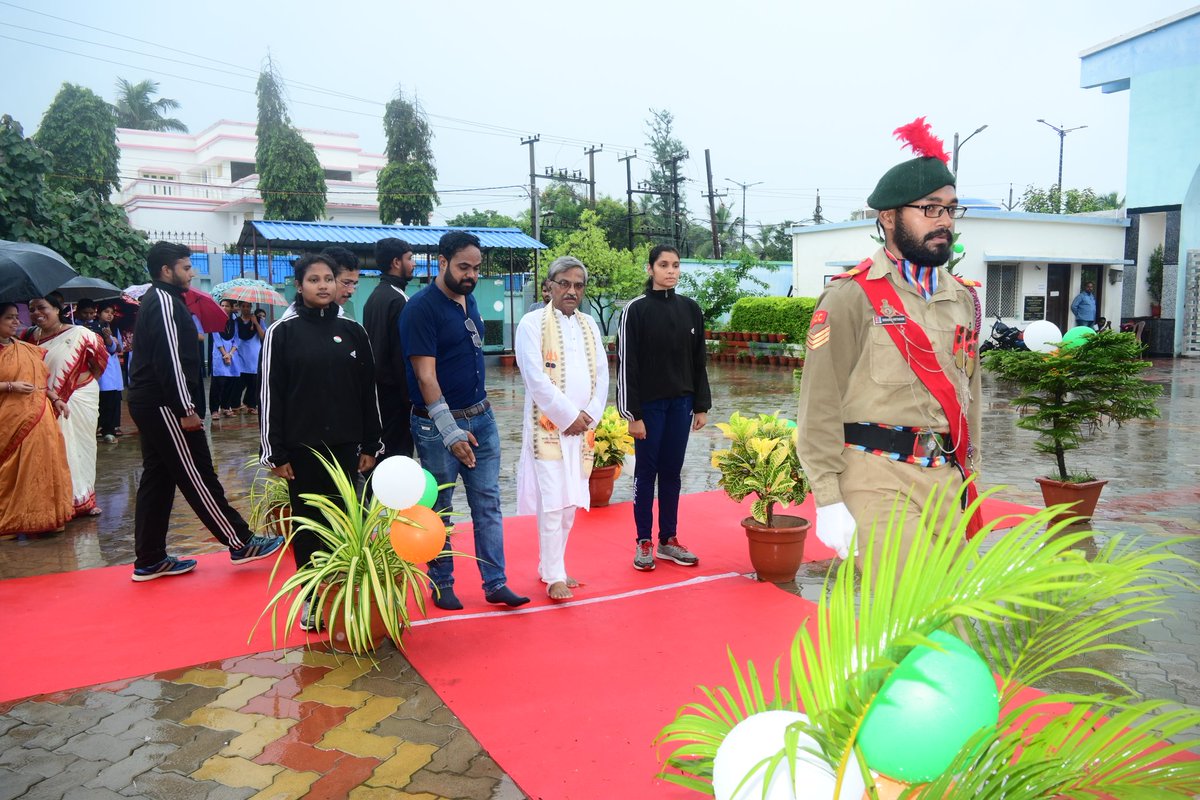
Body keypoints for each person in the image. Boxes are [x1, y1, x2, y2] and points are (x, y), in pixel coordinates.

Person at [795, 118, 983, 568]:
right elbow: (818, 404)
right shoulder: (851, 296)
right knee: (914, 610)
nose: (944, 222)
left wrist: (971, 474)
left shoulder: (962, 298)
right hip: (876, 476)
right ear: (889, 216)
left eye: (951, 209)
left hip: (945, 481)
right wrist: (826, 497)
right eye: (930, 208)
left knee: (951, 621)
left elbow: (970, 395)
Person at [127, 241, 282, 581]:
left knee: (158, 477)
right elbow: (170, 361)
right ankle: (240, 541)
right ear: (166, 271)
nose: (192, 272)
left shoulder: (165, 301)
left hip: (153, 401)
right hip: (165, 403)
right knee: (197, 472)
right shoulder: (165, 303)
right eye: (185, 267)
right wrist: (186, 408)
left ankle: (150, 559)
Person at [401, 231, 528, 610]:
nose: (471, 274)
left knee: (488, 502)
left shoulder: (468, 300)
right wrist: (449, 429)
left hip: (482, 418)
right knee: (440, 510)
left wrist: (474, 421)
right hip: (438, 426)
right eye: (463, 267)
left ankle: (496, 582)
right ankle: (442, 583)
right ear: (442, 263)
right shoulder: (421, 308)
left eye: (475, 267)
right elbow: (425, 376)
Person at [260, 252, 383, 630]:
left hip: (347, 449)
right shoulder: (281, 333)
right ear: (299, 286)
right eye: (314, 279)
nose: (324, 285)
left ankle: (347, 597)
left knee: (349, 524)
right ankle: (314, 600)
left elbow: (368, 392)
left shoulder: (352, 331)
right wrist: (274, 452)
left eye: (329, 278)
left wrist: (370, 444)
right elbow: (270, 395)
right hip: (302, 452)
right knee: (310, 528)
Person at [515, 256, 608, 600]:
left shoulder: (589, 325)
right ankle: (554, 574)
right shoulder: (531, 323)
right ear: (549, 286)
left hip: (582, 429)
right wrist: (569, 416)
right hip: (550, 428)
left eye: (578, 285)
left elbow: (602, 374)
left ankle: (551, 565)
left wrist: (590, 416)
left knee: (571, 502)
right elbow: (535, 379)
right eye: (564, 283)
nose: (571, 291)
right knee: (553, 501)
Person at [616, 244, 710, 572]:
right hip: (649, 408)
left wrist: (700, 406)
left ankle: (668, 539)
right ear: (650, 269)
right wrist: (633, 415)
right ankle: (644, 541)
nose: (671, 271)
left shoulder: (691, 309)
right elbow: (627, 365)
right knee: (646, 473)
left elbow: (699, 361)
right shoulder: (636, 310)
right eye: (664, 265)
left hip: (681, 404)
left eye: (675, 265)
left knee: (672, 473)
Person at [23, 292, 108, 517]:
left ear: (57, 309)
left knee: (81, 447)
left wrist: (75, 385)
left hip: (81, 398)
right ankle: (62, 502)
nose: (37, 313)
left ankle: (84, 499)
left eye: (42, 308)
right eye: (32, 309)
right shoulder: (30, 337)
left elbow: (99, 362)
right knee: (54, 450)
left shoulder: (80, 333)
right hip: (46, 400)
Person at [0, 302, 74, 536]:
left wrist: (55, 398)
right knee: (12, 470)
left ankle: (44, 519)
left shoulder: (26, 348)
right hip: (9, 420)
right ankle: (11, 519)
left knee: (44, 464)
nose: (16, 322)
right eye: (9, 318)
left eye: (15, 317)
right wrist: (9, 386)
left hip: (40, 416)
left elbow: (40, 381)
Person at [363, 237, 416, 458]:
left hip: (379, 395)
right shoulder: (398, 299)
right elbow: (401, 355)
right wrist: (412, 399)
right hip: (396, 397)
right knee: (398, 456)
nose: (413, 263)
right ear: (396, 262)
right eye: (410, 258)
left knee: (383, 455)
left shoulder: (374, 297)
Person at [95, 302, 125, 443]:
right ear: (99, 313)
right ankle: (103, 427)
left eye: (112, 313)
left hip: (113, 367)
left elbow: (118, 348)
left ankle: (112, 427)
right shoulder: (93, 327)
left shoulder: (114, 328)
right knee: (103, 398)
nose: (109, 315)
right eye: (106, 312)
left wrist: (113, 341)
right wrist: (109, 340)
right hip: (101, 367)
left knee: (114, 397)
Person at [232, 301, 265, 414]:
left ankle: (252, 405)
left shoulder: (259, 320)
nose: (245, 309)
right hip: (240, 354)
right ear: (240, 307)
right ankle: (235, 404)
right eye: (243, 306)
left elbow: (263, 336)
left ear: (251, 307)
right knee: (239, 382)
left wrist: (256, 323)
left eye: (248, 306)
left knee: (254, 382)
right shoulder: (236, 321)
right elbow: (234, 336)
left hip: (254, 355)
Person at [210, 300, 240, 418]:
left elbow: (236, 340)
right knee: (218, 383)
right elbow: (217, 340)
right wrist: (224, 354)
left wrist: (230, 354)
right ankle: (214, 410)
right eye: (222, 305)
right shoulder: (215, 320)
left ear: (232, 308)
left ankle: (226, 407)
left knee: (230, 382)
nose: (224, 307)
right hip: (219, 354)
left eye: (227, 306)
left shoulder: (234, 322)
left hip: (232, 355)